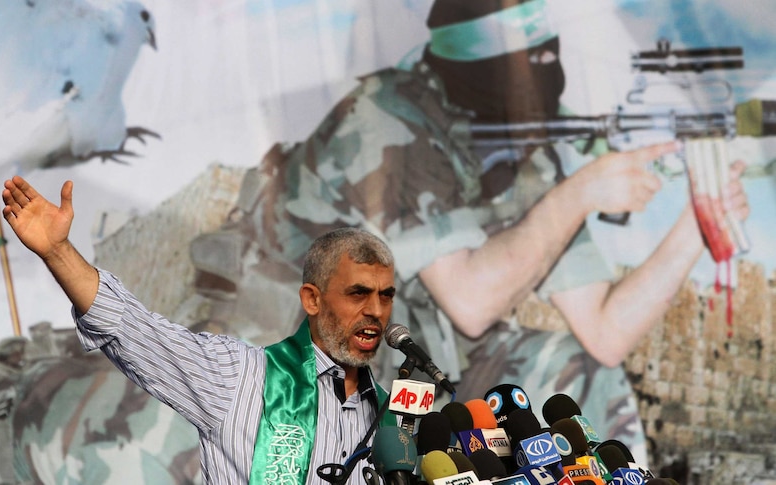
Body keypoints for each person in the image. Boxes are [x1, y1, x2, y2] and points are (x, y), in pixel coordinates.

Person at [184, 0, 750, 463]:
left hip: (413, 373)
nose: (545, 71)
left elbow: (604, 332)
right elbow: (471, 303)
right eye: (528, 60)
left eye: (547, 55)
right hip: (300, 372)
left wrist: (700, 224)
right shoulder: (385, 119)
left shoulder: (521, 148)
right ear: (482, 66)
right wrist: (581, 193)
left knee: (579, 375)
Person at [1, 174, 399, 484]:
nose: (376, 311)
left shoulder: (388, 416)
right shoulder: (240, 376)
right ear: (312, 299)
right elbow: (133, 331)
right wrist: (57, 252)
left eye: (386, 296)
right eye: (358, 294)